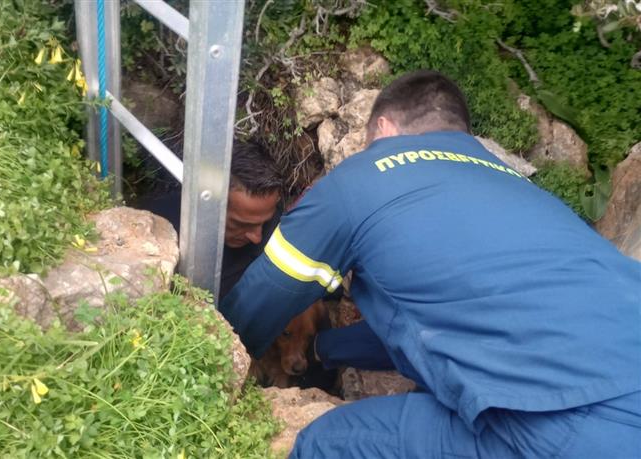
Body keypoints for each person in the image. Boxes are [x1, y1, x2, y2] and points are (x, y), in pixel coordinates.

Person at [219, 70, 641, 458]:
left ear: (384, 128)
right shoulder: (518, 187)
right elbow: (436, 326)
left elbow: (263, 297)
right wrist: (324, 348)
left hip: (568, 424)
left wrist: (221, 363)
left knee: (326, 444)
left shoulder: (364, 177)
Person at [135, 140, 284, 299]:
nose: (257, 237)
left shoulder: (277, 222)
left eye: (264, 222)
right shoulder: (157, 229)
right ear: (208, 204)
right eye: (241, 224)